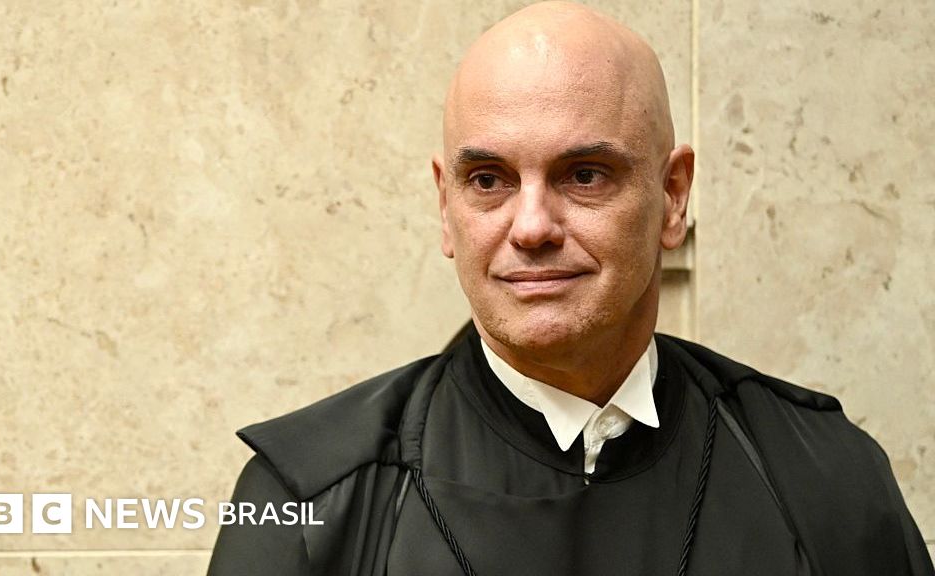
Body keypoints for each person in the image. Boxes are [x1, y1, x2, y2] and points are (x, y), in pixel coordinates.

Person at [207, 2, 933, 575]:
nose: (531, 227)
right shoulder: (303, 502)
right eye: (487, 180)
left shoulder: (826, 477)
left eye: (584, 175)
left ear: (672, 197)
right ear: (445, 207)